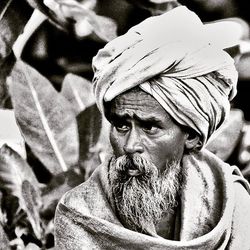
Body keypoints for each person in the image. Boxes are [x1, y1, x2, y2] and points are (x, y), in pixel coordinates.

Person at [54, 6, 250, 249]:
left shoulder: (229, 202)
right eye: (121, 125)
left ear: (191, 136)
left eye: (150, 128)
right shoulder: (81, 215)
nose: (130, 146)